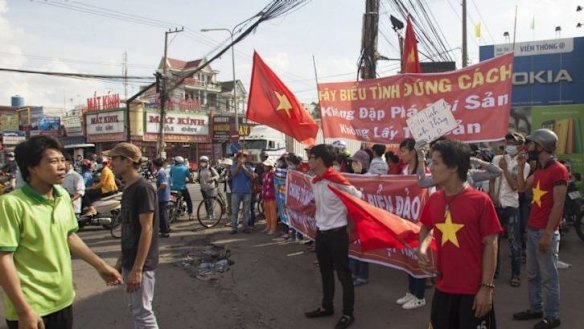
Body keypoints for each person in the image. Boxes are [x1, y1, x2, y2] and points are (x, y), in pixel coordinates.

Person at [0, 136, 121, 329]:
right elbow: (3, 259)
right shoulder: (11, 204)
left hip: (62, 299)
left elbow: (69, 236)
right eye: (53, 161)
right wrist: (23, 311)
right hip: (32, 307)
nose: (62, 166)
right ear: (32, 168)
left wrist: (101, 266)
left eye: (63, 160)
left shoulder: (63, 195)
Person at [417, 139, 501, 329]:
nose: (431, 167)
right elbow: (425, 228)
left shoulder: (481, 201)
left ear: (453, 167)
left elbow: (491, 244)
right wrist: (421, 249)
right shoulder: (435, 199)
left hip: (473, 293)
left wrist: (486, 288)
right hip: (442, 289)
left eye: (436, 162)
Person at [513, 129, 567, 329]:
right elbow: (520, 189)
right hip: (533, 229)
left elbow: (558, 205)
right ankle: (536, 308)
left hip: (545, 232)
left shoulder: (558, 170)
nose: (528, 147)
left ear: (541, 146)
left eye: (532, 144)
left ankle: (552, 316)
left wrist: (547, 234)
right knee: (534, 275)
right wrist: (520, 167)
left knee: (548, 277)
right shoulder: (539, 171)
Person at [304, 144, 362, 329]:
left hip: (338, 234)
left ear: (319, 159)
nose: (309, 160)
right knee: (325, 272)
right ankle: (326, 306)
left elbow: (358, 197)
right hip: (321, 234)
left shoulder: (336, 180)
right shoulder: (316, 181)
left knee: (344, 275)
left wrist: (350, 222)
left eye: (311, 157)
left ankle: (348, 313)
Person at [108, 143, 160, 329]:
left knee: (143, 313)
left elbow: (147, 229)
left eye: (114, 159)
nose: (110, 163)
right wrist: (122, 261)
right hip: (131, 260)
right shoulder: (129, 188)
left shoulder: (143, 188)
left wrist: (138, 269)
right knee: (137, 310)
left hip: (142, 264)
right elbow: (129, 230)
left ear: (127, 161)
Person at [490, 132, 530, 287]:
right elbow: (491, 178)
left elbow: (516, 187)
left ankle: (515, 274)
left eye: (513, 143)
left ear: (520, 145)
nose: (510, 145)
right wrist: (492, 194)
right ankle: (494, 271)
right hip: (496, 205)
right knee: (494, 242)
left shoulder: (523, 165)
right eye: (508, 142)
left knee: (514, 242)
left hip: (512, 207)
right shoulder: (497, 159)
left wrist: (505, 169)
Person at [396, 138, 429, 310]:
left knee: (418, 257)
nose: (401, 155)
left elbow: (427, 193)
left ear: (413, 151)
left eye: (403, 151)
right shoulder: (403, 170)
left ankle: (420, 295)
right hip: (405, 219)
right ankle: (411, 291)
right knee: (408, 257)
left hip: (419, 220)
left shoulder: (424, 171)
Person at [347, 150, 371, 287]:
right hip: (352, 215)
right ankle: (354, 273)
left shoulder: (369, 177)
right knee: (352, 245)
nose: (353, 165)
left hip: (363, 217)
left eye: (356, 162)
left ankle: (363, 275)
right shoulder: (351, 177)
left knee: (362, 248)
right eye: (353, 162)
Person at [230, 151, 255, 234]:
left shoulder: (249, 166)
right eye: (240, 157)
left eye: (244, 157)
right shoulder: (233, 166)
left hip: (247, 191)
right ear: (237, 158)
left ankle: (245, 227)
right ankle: (234, 228)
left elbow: (251, 176)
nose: (242, 158)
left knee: (246, 211)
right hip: (236, 192)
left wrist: (243, 167)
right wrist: (238, 166)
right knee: (234, 211)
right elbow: (233, 174)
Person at [62, 153, 85, 219]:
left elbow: (80, 192)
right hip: (61, 210)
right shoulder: (59, 176)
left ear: (68, 162)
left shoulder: (76, 176)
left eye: (62, 161)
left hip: (73, 209)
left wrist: (69, 200)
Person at [152, 158, 171, 238]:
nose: (152, 166)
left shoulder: (161, 173)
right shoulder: (162, 171)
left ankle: (165, 231)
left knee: (162, 214)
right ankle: (165, 228)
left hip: (162, 196)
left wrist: (156, 191)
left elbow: (164, 185)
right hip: (164, 195)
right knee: (163, 213)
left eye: (153, 164)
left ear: (155, 165)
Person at [197, 156, 219, 221]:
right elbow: (198, 177)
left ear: (207, 162)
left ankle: (212, 215)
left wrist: (212, 178)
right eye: (201, 161)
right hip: (203, 188)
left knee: (210, 202)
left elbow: (217, 175)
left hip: (210, 188)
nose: (202, 163)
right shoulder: (200, 169)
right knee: (206, 202)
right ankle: (208, 214)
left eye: (204, 161)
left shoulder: (210, 169)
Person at [261, 159, 277, 234]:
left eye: (266, 166)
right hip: (265, 196)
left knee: (272, 213)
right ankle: (268, 226)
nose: (264, 167)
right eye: (264, 165)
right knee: (266, 213)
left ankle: (273, 228)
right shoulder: (264, 174)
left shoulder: (273, 174)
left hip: (272, 196)